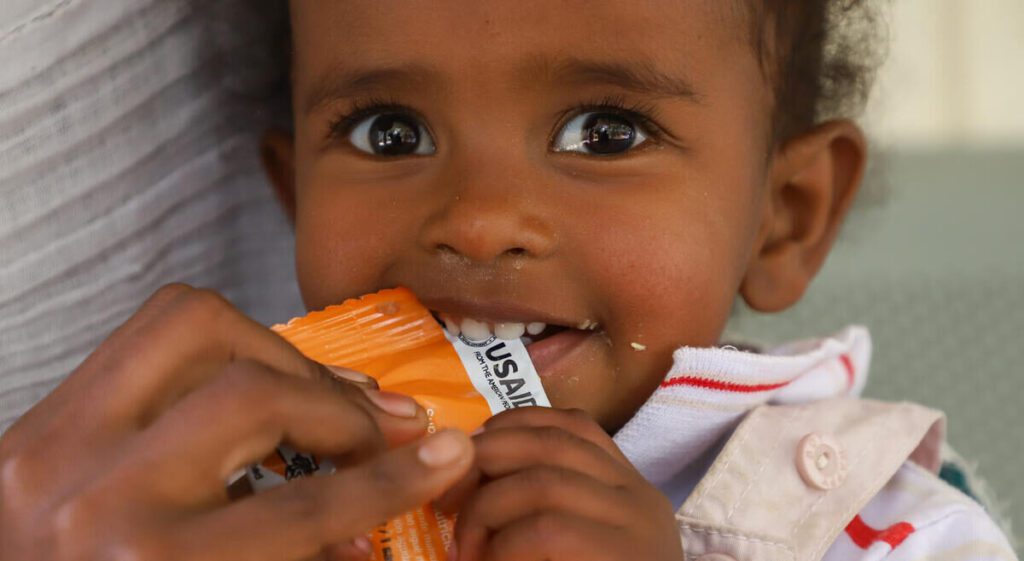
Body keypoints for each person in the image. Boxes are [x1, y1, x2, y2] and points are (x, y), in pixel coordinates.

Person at [0, 1, 1016, 560]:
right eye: (387, 132)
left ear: (782, 217)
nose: (478, 219)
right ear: (293, 196)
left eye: (604, 132)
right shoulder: (218, 498)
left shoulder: (890, 528)